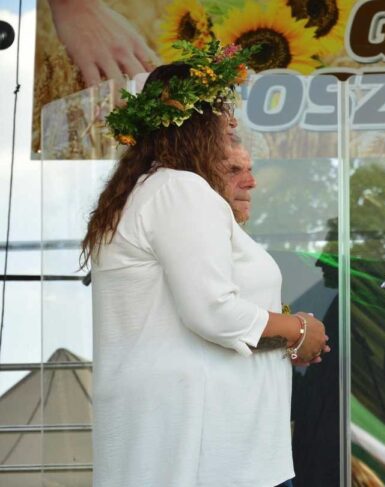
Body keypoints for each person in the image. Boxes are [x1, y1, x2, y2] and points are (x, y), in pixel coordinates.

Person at [81, 41, 329, 487]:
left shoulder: (147, 194)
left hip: (198, 447)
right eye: (228, 132)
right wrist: (299, 332)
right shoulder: (180, 190)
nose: (235, 147)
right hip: (211, 455)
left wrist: (279, 336)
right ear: (196, 130)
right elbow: (213, 311)